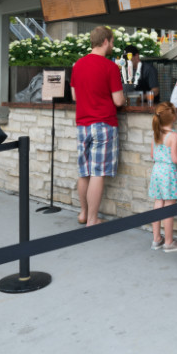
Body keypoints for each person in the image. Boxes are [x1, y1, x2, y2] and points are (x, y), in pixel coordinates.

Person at [71, 26, 124, 226]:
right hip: (103, 124)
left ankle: (83, 214)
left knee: (84, 172)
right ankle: (93, 220)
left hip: (82, 124)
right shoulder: (110, 67)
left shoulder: (78, 65)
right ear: (105, 41)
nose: (112, 45)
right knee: (98, 173)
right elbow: (118, 101)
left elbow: (75, 96)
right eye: (112, 41)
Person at [148, 102, 177, 252]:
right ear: (174, 117)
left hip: (157, 170)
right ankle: (169, 242)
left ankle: (156, 239)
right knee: (169, 205)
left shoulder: (156, 133)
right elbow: (175, 159)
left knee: (158, 203)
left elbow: (152, 155)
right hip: (168, 172)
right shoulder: (174, 136)